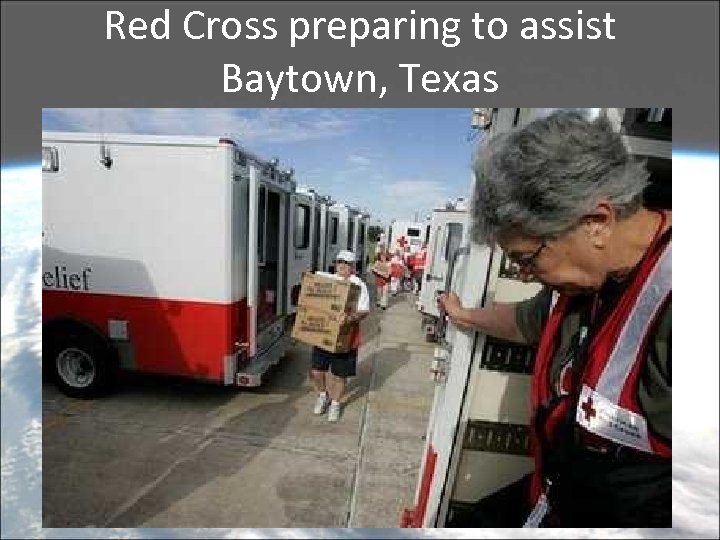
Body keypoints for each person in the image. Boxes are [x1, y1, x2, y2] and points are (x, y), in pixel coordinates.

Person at [438, 110, 671, 527]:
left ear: (597, 223)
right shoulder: (582, 284)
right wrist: (465, 315)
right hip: (558, 493)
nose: (527, 276)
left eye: (527, 261)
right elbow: (527, 321)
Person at [311, 250, 370, 422]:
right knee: (316, 372)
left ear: (352, 267)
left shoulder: (358, 285)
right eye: (339, 262)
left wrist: (350, 317)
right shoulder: (327, 281)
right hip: (323, 334)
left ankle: (336, 403)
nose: (342, 265)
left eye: (346, 263)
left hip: (346, 337)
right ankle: (323, 395)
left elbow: (364, 311)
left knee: (340, 375)